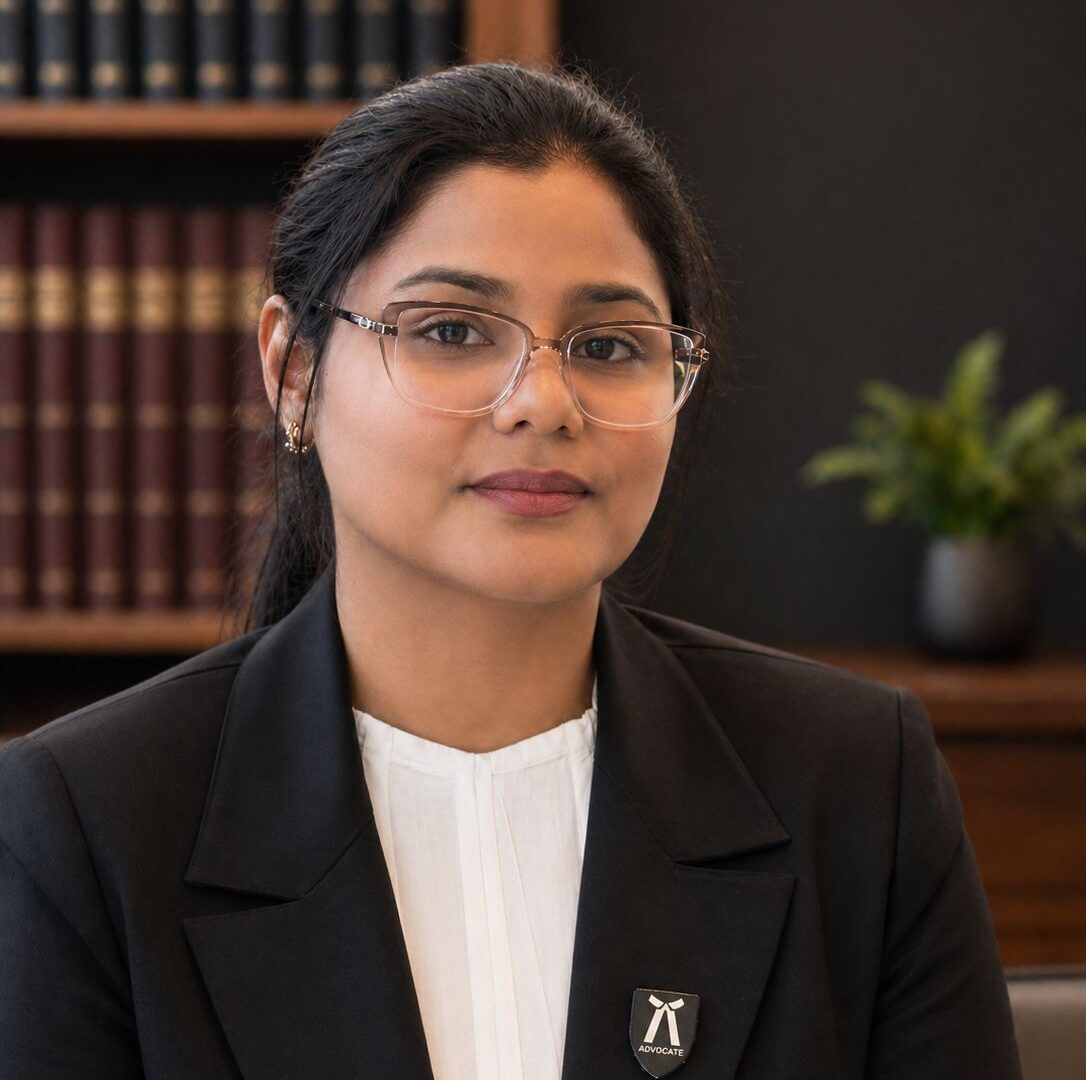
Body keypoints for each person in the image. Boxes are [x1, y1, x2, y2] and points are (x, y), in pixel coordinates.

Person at [0, 61, 1022, 1080]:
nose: (542, 402)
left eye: (609, 346)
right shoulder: (91, 821)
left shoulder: (855, 788)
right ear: (293, 371)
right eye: (451, 331)